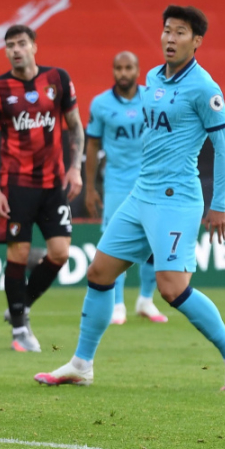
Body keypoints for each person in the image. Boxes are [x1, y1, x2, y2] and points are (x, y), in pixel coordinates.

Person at [35, 5, 225, 390]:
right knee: (99, 273)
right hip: (140, 194)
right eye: (167, 30)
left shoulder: (205, 88)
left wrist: (220, 204)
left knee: (172, 288)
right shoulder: (152, 77)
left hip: (176, 199)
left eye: (180, 32)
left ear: (197, 40)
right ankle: (82, 364)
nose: (170, 38)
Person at [0, 25, 84, 352]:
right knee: (19, 253)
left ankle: (19, 307)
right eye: (10, 45)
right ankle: (21, 330)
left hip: (54, 184)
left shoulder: (58, 79)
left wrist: (76, 168)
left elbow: (76, 127)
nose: (16, 50)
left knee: (60, 253)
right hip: (16, 185)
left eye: (22, 43)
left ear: (34, 46)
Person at [85, 51, 167, 325]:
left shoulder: (153, 97)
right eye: (118, 67)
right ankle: (117, 304)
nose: (123, 73)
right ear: (113, 70)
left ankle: (145, 299)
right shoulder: (100, 104)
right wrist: (90, 188)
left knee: (155, 244)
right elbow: (93, 144)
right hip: (118, 183)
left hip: (152, 181)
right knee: (116, 244)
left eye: (128, 67)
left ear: (137, 69)